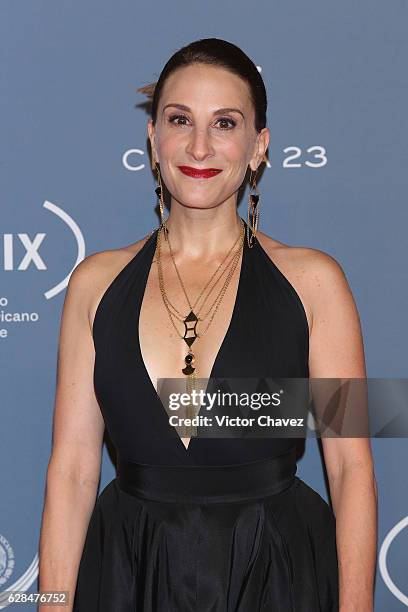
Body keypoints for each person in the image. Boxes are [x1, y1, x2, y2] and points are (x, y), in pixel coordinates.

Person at [38, 38, 377, 611]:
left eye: (225, 123)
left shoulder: (316, 282)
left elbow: (350, 467)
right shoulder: (94, 284)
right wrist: (52, 603)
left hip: (277, 573)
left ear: (258, 147)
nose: (199, 145)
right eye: (179, 120)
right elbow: (71, 471)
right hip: (130, 572)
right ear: (153, 139)